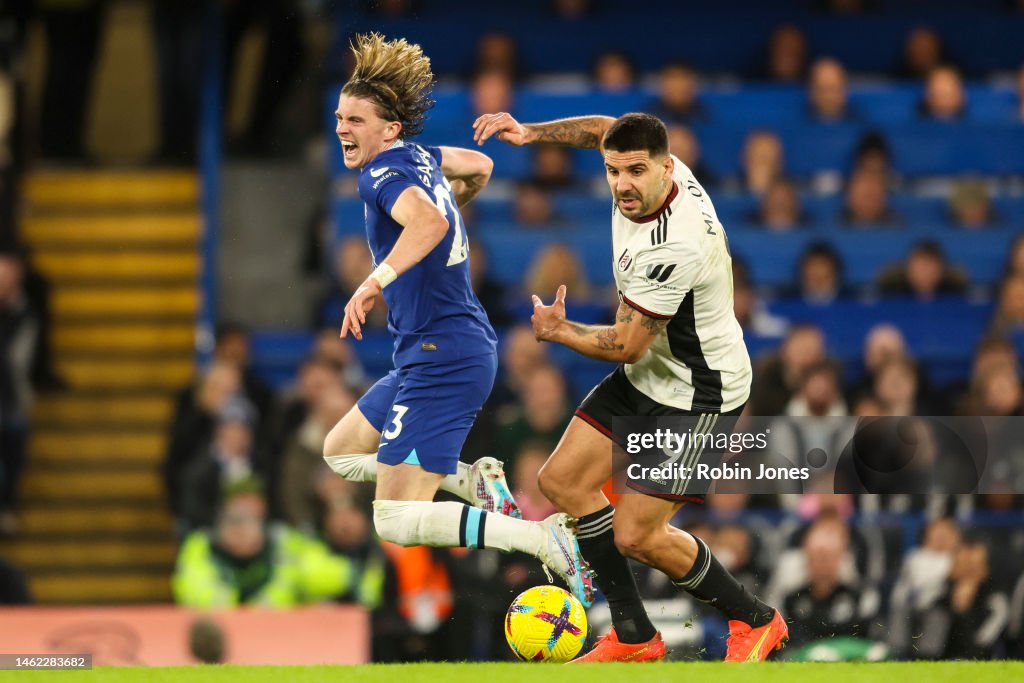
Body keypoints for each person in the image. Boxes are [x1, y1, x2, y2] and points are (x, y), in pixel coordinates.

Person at [473, 110, 787, 662]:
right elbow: (604, 128)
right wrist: (529, 133)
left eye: (636, 172)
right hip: (654, 375)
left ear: (667, 169)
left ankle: (756, 620)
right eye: (615, 171)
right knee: (563, 482)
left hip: (700, 393)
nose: (622, 184)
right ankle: (636, 637)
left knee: (637, 535)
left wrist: (559, 330)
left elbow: (628, 344)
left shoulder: (674, 245)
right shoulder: (647, 165)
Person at [323, 34, 593, 607]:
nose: (342, 128)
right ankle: (473, 481)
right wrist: (444, 216)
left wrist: (373, 282)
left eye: (355, 120)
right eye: (339, 116)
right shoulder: (418, 157)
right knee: (340, 451)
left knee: (395, 521)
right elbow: (481, 165)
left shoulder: (378, 176)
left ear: (389, 128)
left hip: (439, 356)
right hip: (441, 348)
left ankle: (542, 538)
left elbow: (428, 225)